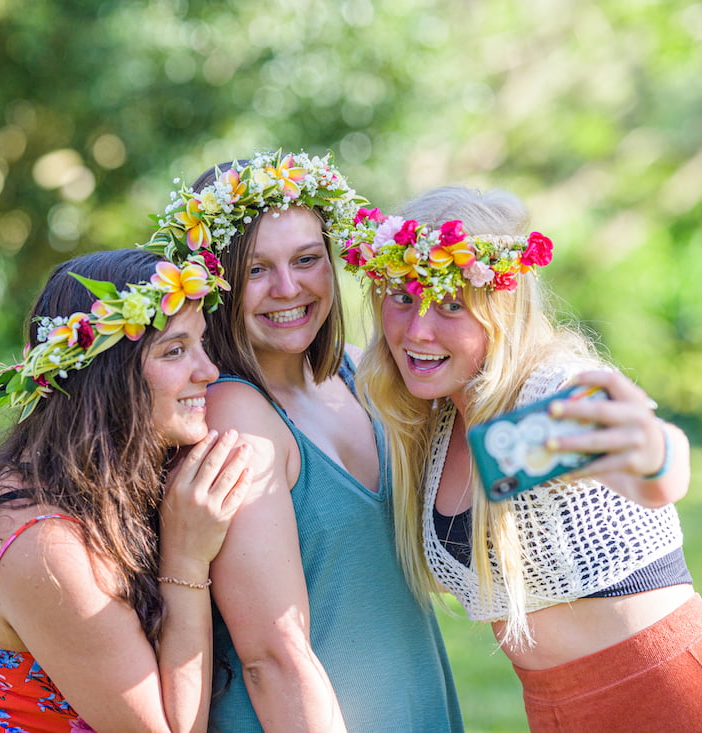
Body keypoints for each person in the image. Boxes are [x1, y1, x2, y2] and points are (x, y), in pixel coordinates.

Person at [347, 186, 702, 732]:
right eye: (403, 298)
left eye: (453, 305)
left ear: (502, 307)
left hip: (671, 701)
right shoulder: (431, 421)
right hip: (557, 712)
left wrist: (656, 450)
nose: (417, 331)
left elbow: (657, 473)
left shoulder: (544, 392)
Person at [0, 248, 251, 733]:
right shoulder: (43, 542)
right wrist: (186, 559)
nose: (207, 371)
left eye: (200, 344)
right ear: (109, 377)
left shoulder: (84, 489)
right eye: (174, 350)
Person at [143, 151, 463, 732]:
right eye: (257, 269)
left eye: (307, 259)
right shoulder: (234, 413)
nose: (288, 288)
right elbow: (273, 659)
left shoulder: (360, 374)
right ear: (215, 280)